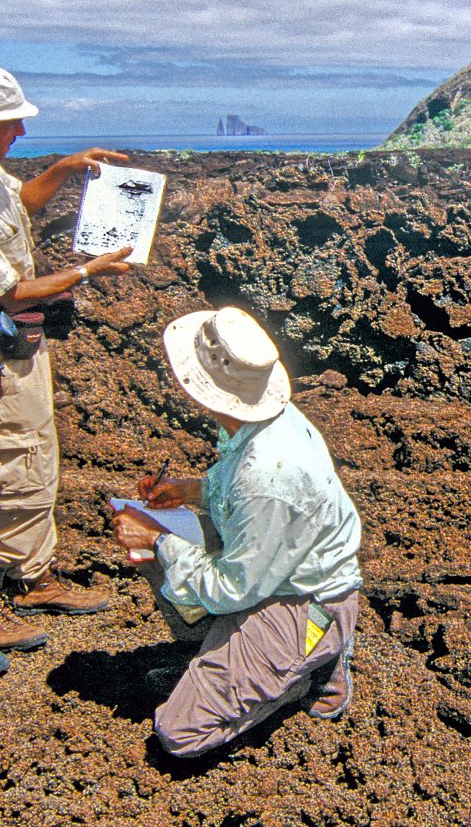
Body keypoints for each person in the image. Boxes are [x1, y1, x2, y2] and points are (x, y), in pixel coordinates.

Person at [0, 63, 135, 653]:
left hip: (22, 346)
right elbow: (9, 290)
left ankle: (32, 577)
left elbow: (20, 202)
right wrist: (87, 271)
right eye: (11, 124)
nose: (19, 134)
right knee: (4, 464)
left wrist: (63, 172)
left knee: (38, 451)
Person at [109, 307, 364, 758]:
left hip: (308, 606)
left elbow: (233, 587)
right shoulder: (264, 425)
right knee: (165, 554)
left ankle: (303, 671)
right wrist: (193, 491)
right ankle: (252, 661)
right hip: (275, 577)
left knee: (179, 732)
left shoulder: (268, 475)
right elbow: (246, 503)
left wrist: (157, 538)